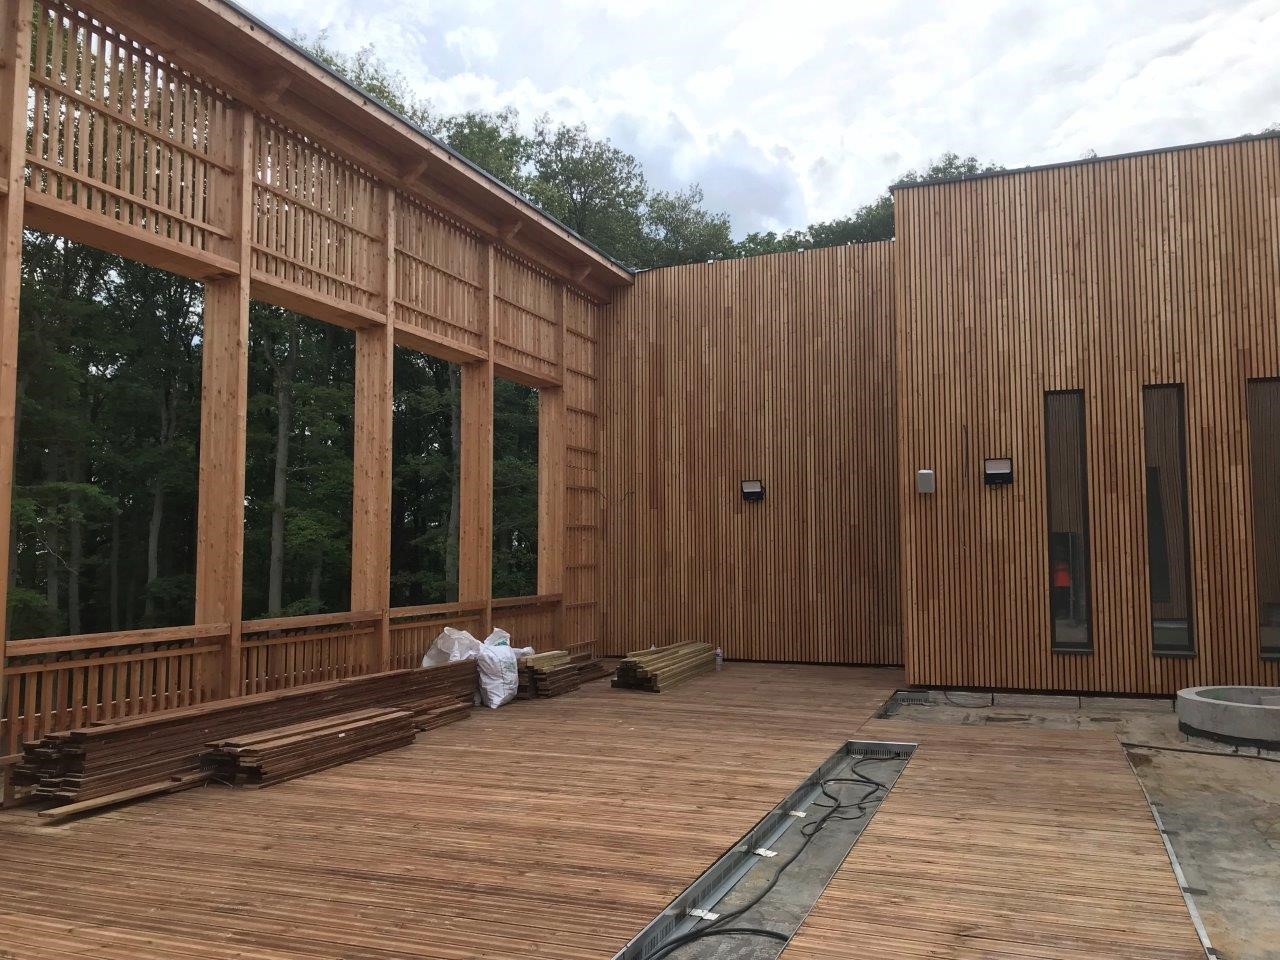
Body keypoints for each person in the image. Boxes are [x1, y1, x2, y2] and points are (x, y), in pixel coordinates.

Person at [1052, 556, 1072, 622]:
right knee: (1062, 599)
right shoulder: (1063, 564)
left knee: (1061, 599)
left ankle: (1062, 613)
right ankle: (1062, 613)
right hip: (1062, 584)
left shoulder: (1057, 564)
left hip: (1061, 584)